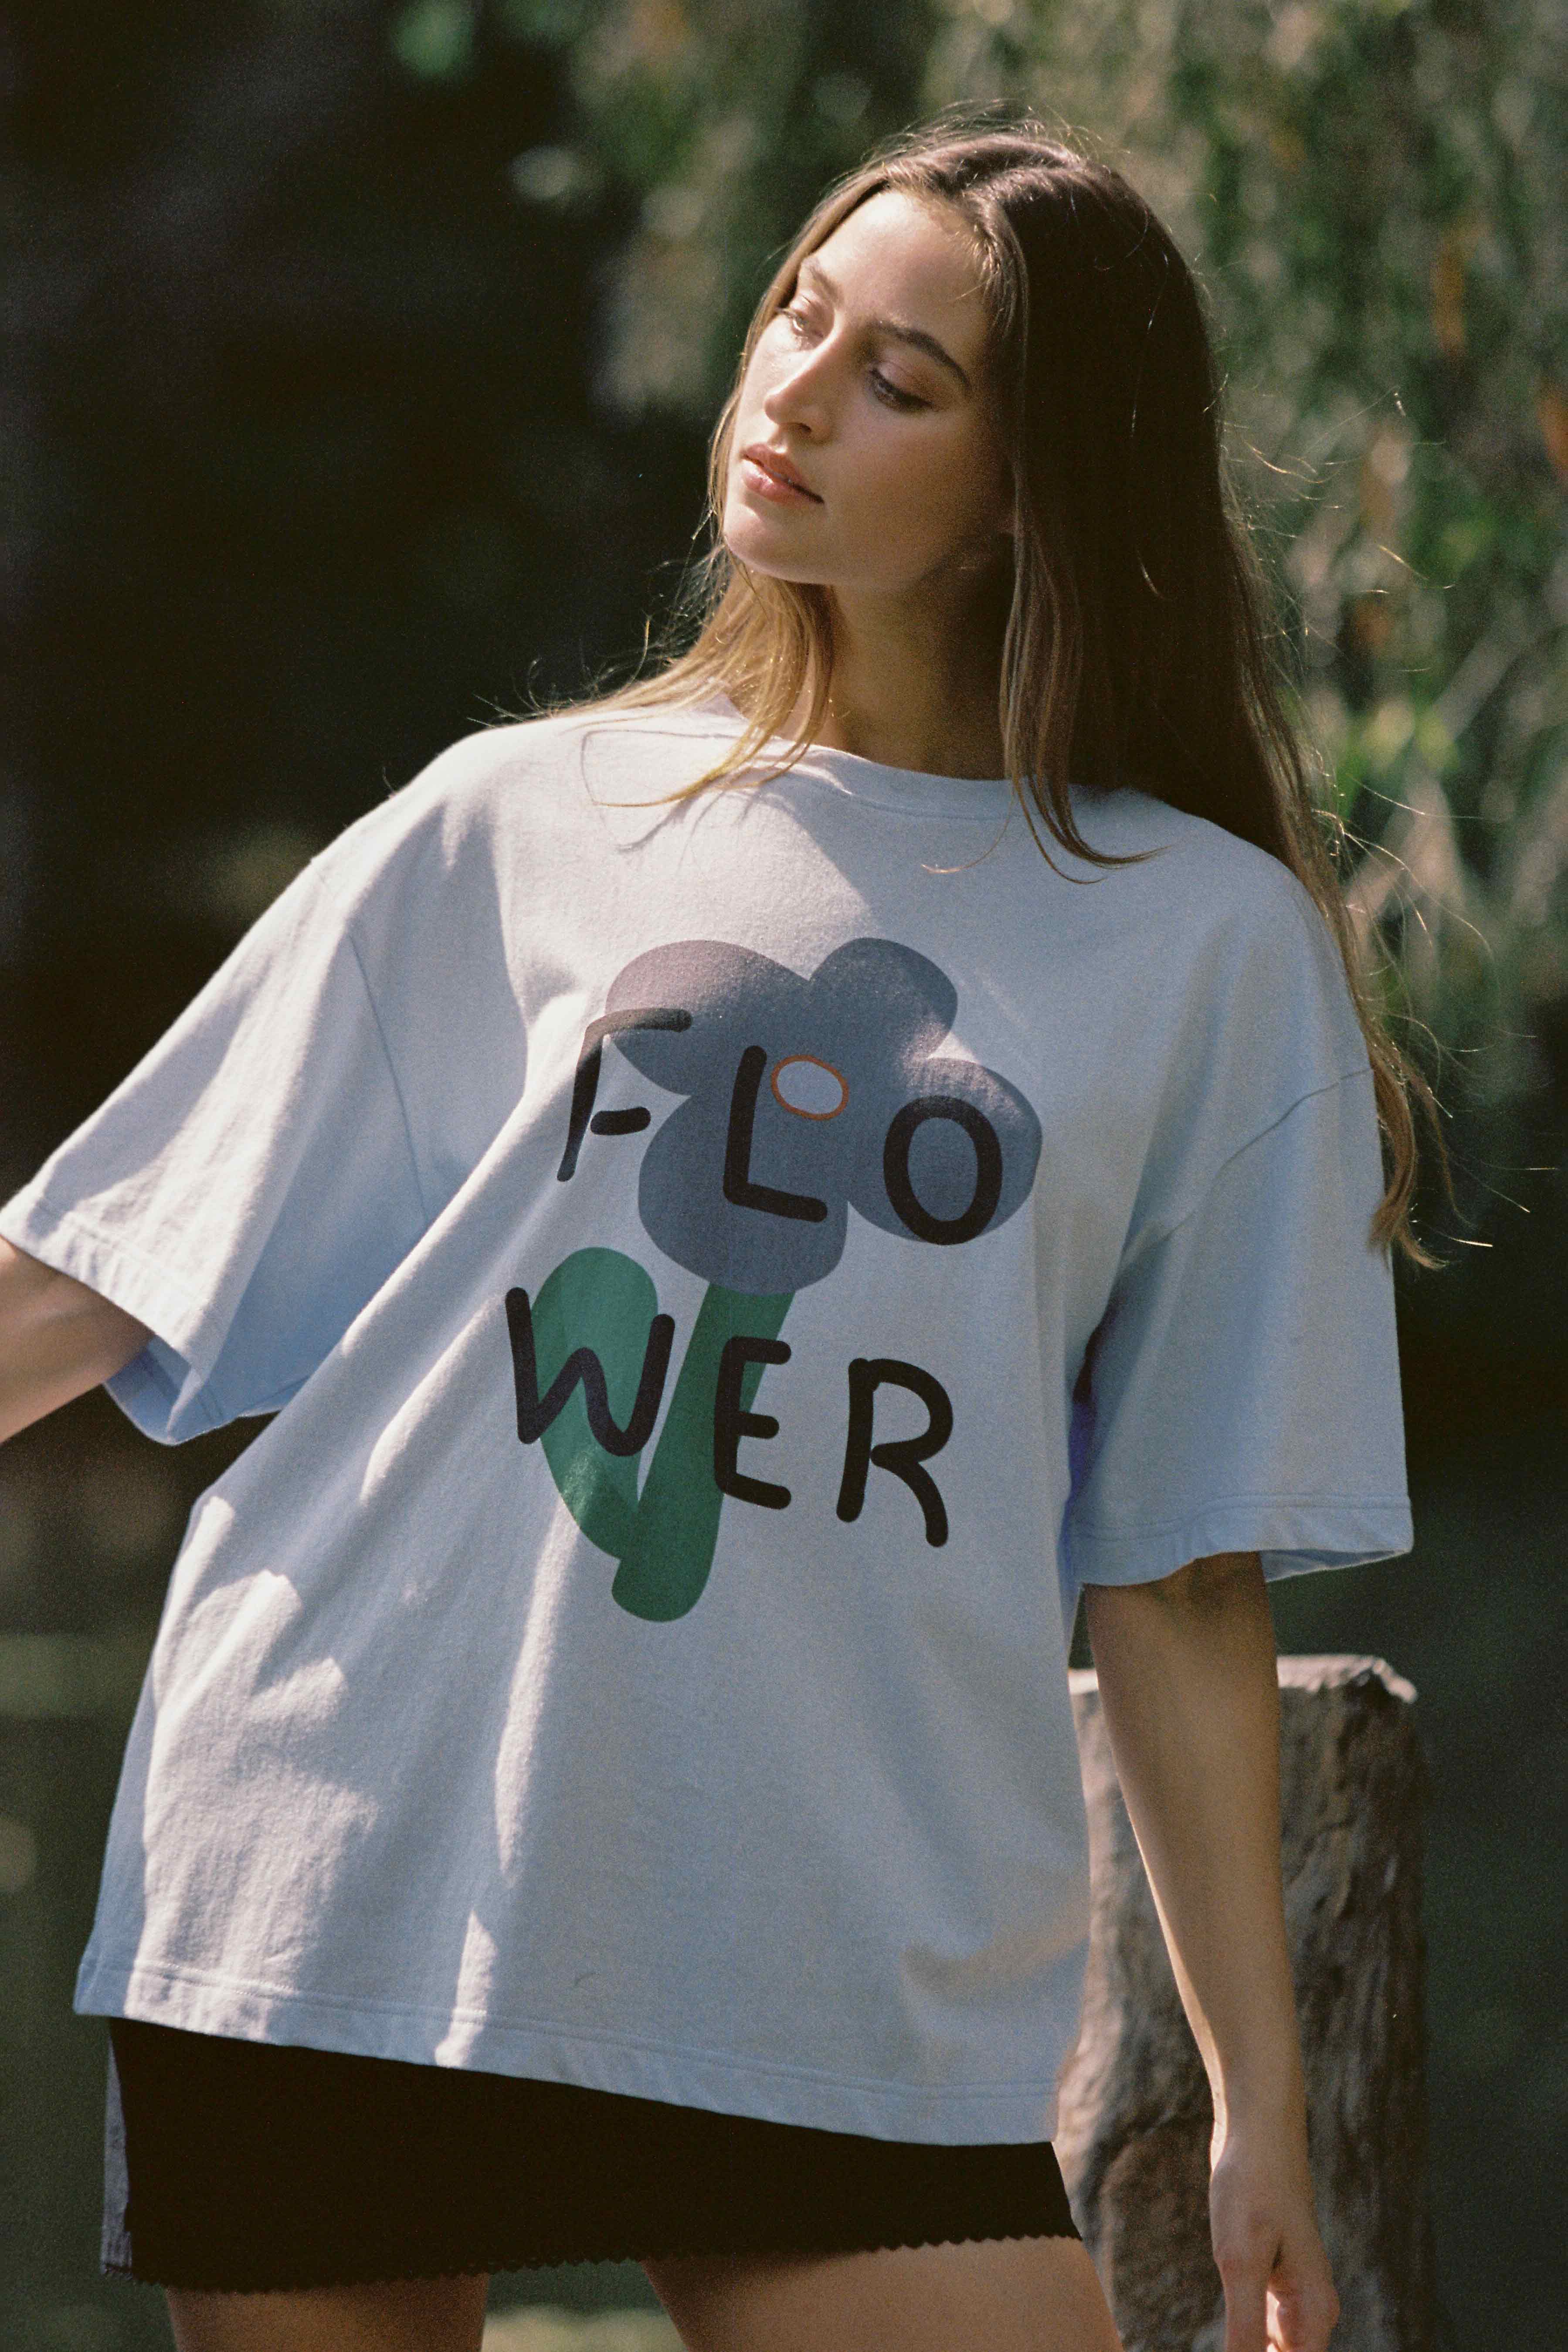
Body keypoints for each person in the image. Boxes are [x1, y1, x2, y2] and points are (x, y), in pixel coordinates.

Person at [0, 115, 1422, 2352]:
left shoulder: (1206, 946)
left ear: (1041, 479)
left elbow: (1185, 1558)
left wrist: (1258, 2097)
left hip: (838, 1963)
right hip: (345, 1878)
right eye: (799, 316)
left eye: (905, 379)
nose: (795, 390)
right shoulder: (520, 820)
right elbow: (90, 1278)